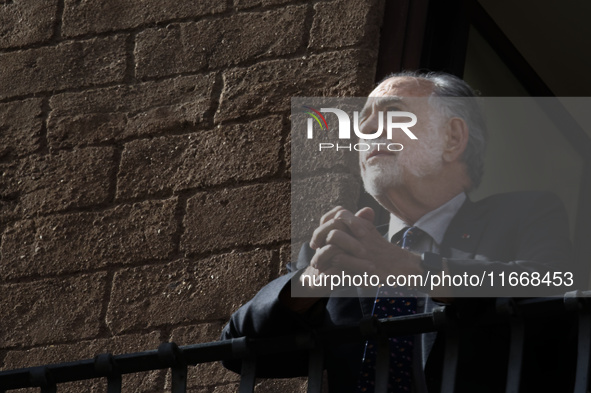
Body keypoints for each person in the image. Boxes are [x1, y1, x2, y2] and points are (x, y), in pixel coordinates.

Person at [221, 71, 576, 392]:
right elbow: (238, 349)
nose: (369, 131)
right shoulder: (340, 247)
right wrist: (314, 280)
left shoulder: (522, 214)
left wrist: (411, 267)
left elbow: (550, 289)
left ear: (452, 138)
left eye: (392, 115)